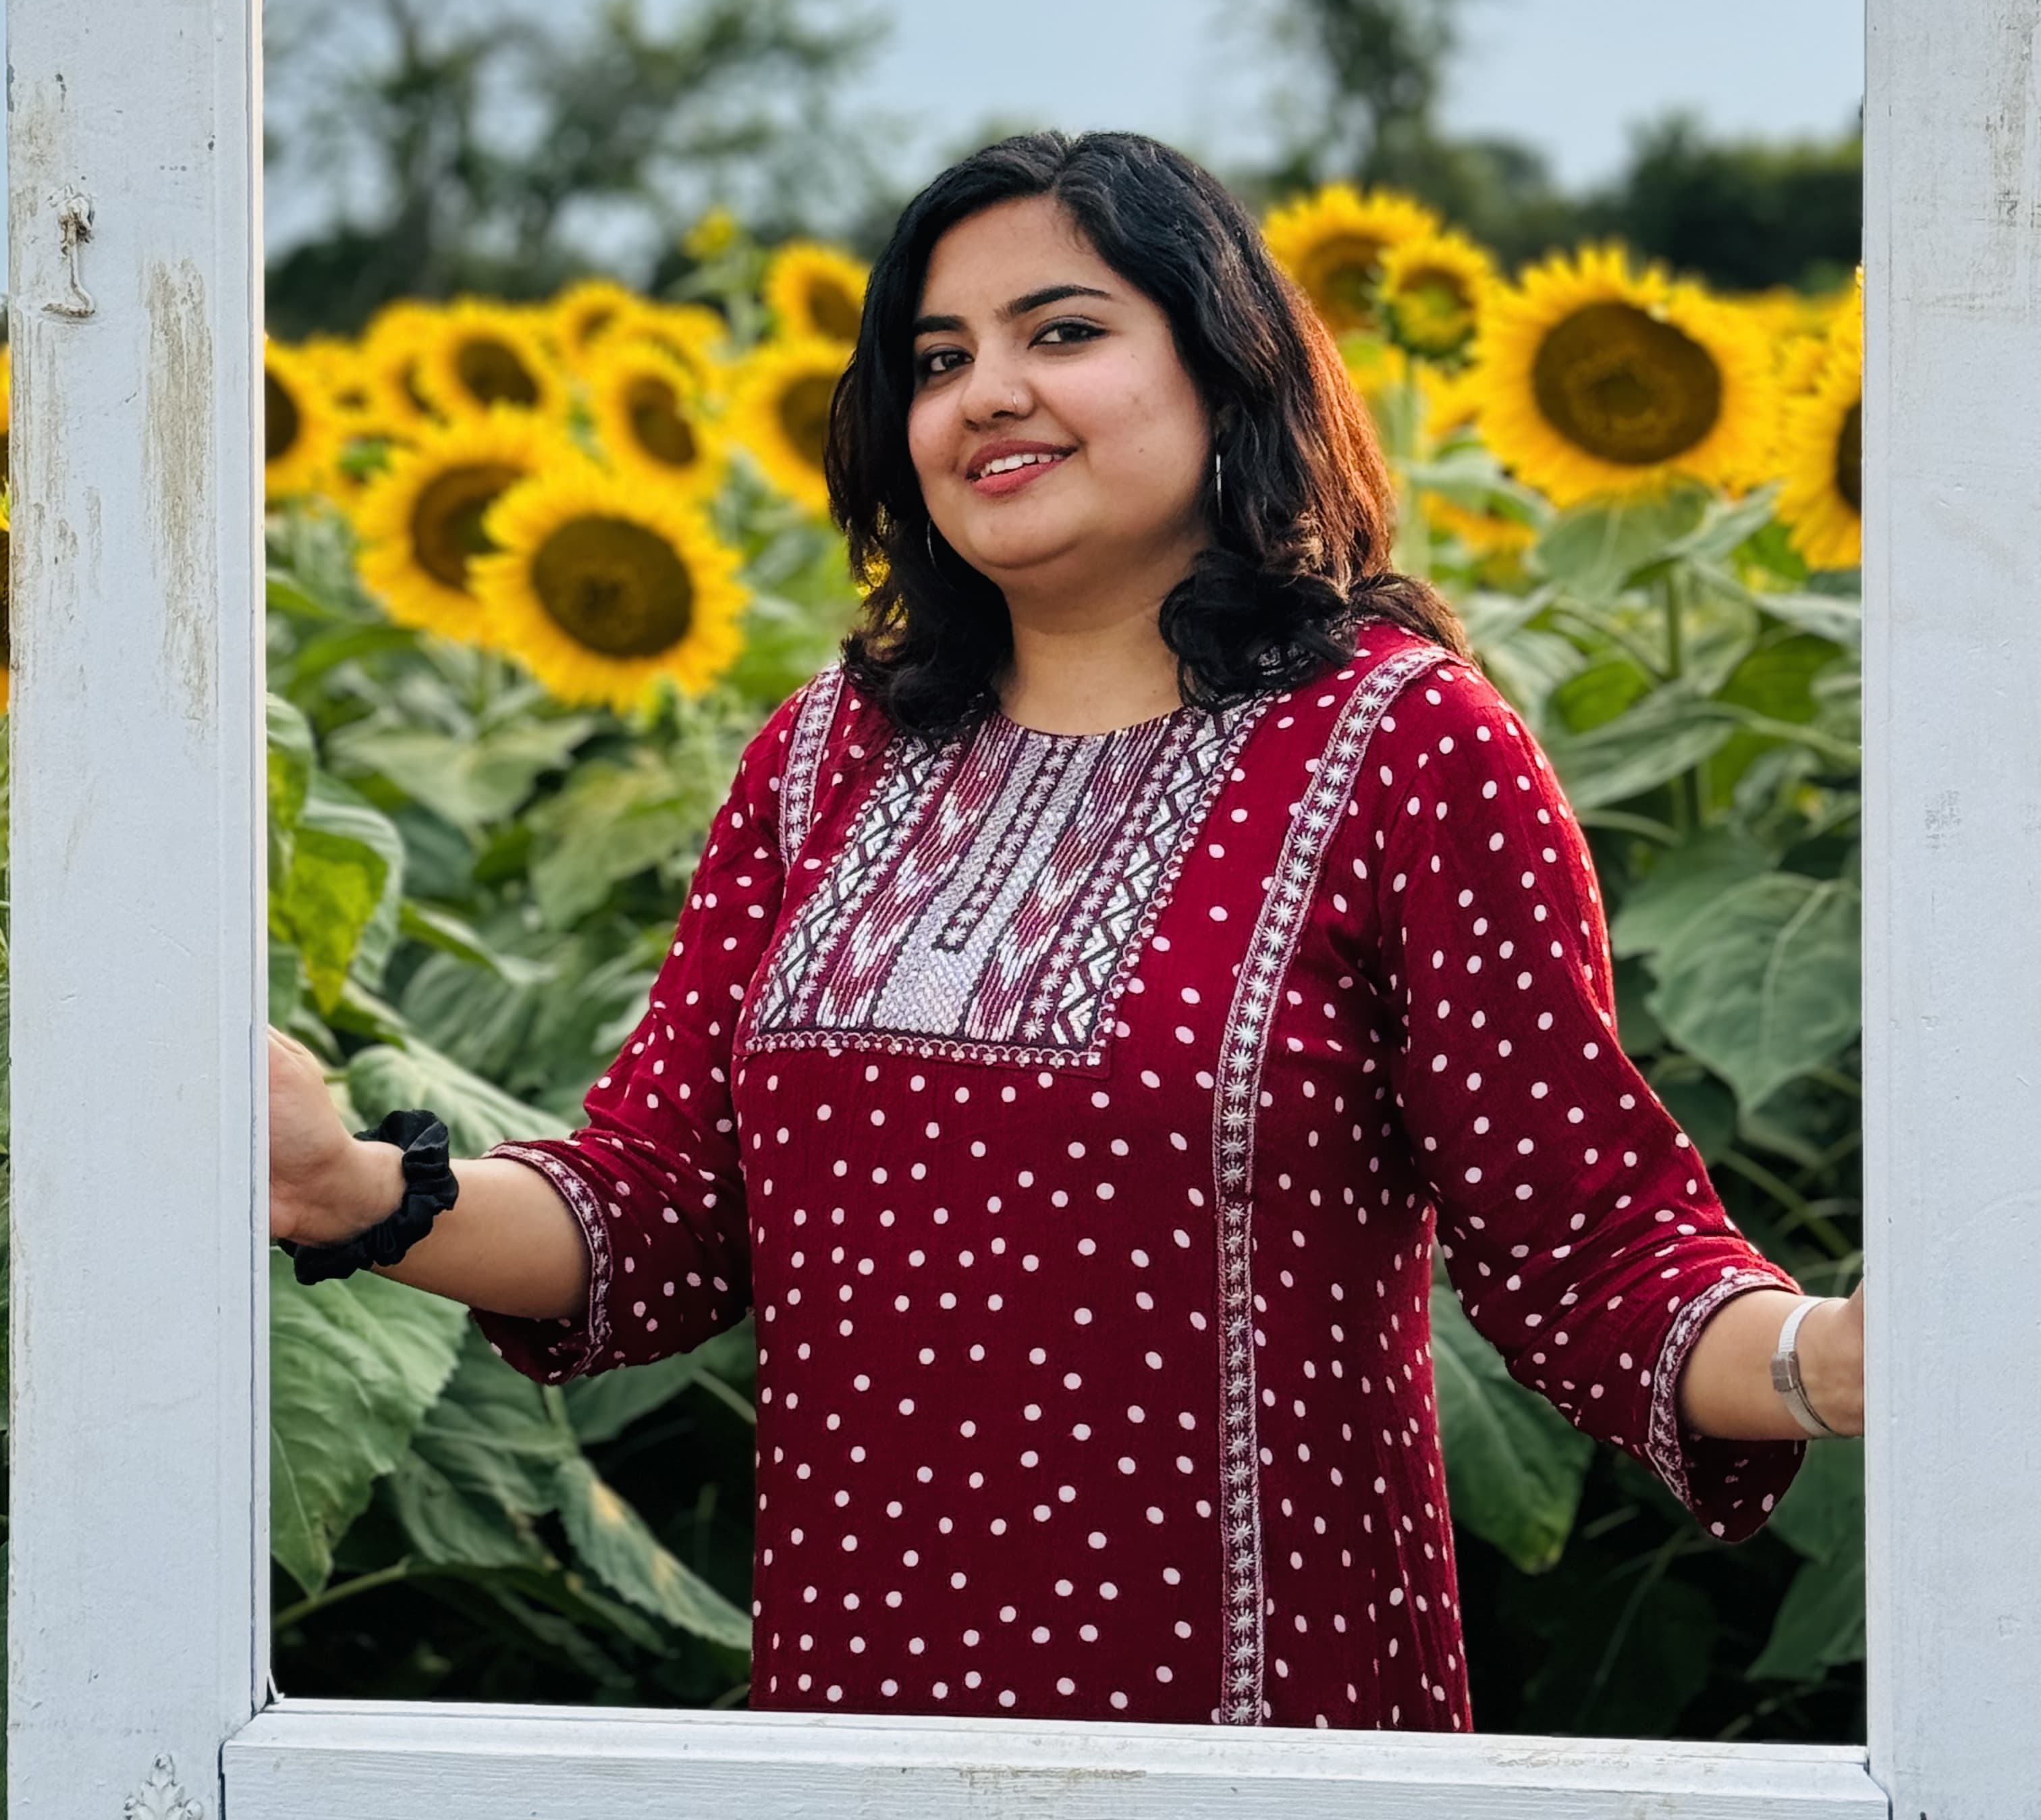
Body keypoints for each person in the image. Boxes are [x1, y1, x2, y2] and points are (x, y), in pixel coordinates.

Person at [270, 128, 1865, 1733]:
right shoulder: (828, 754)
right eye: (940, 357)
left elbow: (1589, 1240)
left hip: (1253, 1735)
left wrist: (1831, 1359)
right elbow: (658, 1206)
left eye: (1065, 331)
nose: (987, 393)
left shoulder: (1403, 748)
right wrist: (347, 1189)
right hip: (853, 1735)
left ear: (1229, 371)